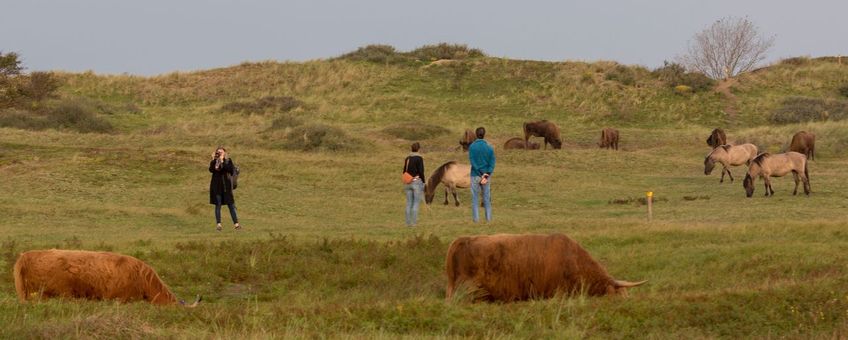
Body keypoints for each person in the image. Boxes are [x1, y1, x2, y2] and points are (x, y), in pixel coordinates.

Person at [209, 146, 241, 231]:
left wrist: (222, 160)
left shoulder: (228, 160)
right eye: (218, 152)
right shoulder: (214, 161)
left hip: (226, 187)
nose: (219, 154)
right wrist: (213, 160)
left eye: (221, 152)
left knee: (231, 205)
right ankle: (219, 225)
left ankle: (236, 224)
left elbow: (230, 170)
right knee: (218, 205)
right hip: (217, 187)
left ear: (224, 153)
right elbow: (211, 170)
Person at [468, 127, 496, 223]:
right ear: (484, 134)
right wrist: (486, 175)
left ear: (476, 134)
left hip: (475, 174)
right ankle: (488, 220)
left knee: (475, 198)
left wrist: (480, 173)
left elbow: (472, 161)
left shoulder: (472, 146)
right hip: (486, 176)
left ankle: (476, 220)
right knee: (486, 198)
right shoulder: (489, 147)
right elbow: (492, 163)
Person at [402, 142, 425, 227]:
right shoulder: (419, 158)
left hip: (407, 183)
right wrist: (423, 181)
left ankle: (407, 223)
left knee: (408, 203)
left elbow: (404, 171)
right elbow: (421, 171)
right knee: (416, 203)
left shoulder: (407, 158)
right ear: (418, 149)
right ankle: (414, 223)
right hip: (416, 182)